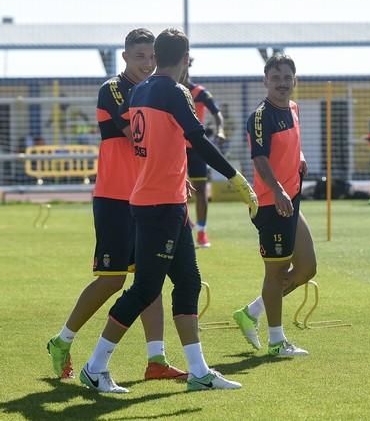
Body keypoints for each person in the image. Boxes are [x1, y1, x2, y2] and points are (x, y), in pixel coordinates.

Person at [78, 28, 258, 393]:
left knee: (188, 280)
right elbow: (198, 142)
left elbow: (156, 142)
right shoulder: (175, 92)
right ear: (185, 58)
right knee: (144, 289)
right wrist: (236, 177)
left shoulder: (142, 90)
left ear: (157, 56)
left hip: (166, 199)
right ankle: (95, 367)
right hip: (158, 204)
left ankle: (199, 372)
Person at [47, 28, 187, 382]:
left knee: (149, 278)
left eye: (152, 57)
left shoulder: (150, 91)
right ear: (125, 57)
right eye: (140, 56)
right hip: (114, 197)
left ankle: (156, 359)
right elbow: (141, 135)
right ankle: (62, 340)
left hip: (147, 197)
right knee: (111, 280)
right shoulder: (113, 89)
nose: (147, 63)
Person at [232, 54, 316, 357]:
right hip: (272, 203)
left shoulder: (293, 108)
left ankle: (251, 312)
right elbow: (259, 158)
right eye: (276, 77)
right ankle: (277, 341)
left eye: (287, 77)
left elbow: (293, 143)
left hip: (291, 199)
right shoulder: (260, 116)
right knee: (276, 272)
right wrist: (278, 190)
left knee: (307, 268)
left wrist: (301, 157)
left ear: (294, 80)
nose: (282, 83)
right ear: (265, 80)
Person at [181, 58, 226, 248]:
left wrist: (220, 130)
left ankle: (201, 232)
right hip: (175, 148)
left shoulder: (199, 93)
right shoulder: (168, 91)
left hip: (197, 147)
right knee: (176, 191)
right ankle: (182, 228)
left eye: (185, 65)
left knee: (200, 190)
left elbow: (217, 113)